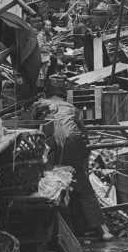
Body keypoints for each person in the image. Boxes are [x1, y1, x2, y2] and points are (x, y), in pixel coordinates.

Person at [35, 75, 113, 241]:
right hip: (72, 145)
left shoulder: (39, 106)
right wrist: (81, 158)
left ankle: (66, 232)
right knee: (82, 186)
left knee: (57, 184)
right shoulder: (73, 109)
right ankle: (103, 230)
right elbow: (84, 138)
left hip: (50, 147)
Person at [37, 18, 56, 90]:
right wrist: (50, 48)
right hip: (43, 57)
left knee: (51, 74)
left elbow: (53, 45)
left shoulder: (50, 34)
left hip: (50, 56)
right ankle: (43, 89)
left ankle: (50, 88)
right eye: (47, 25)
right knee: (44, 76)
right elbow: (40, 48)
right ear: (43, 26)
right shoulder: (40, 35)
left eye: (49, 25)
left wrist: (54, 47)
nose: (48, 27)